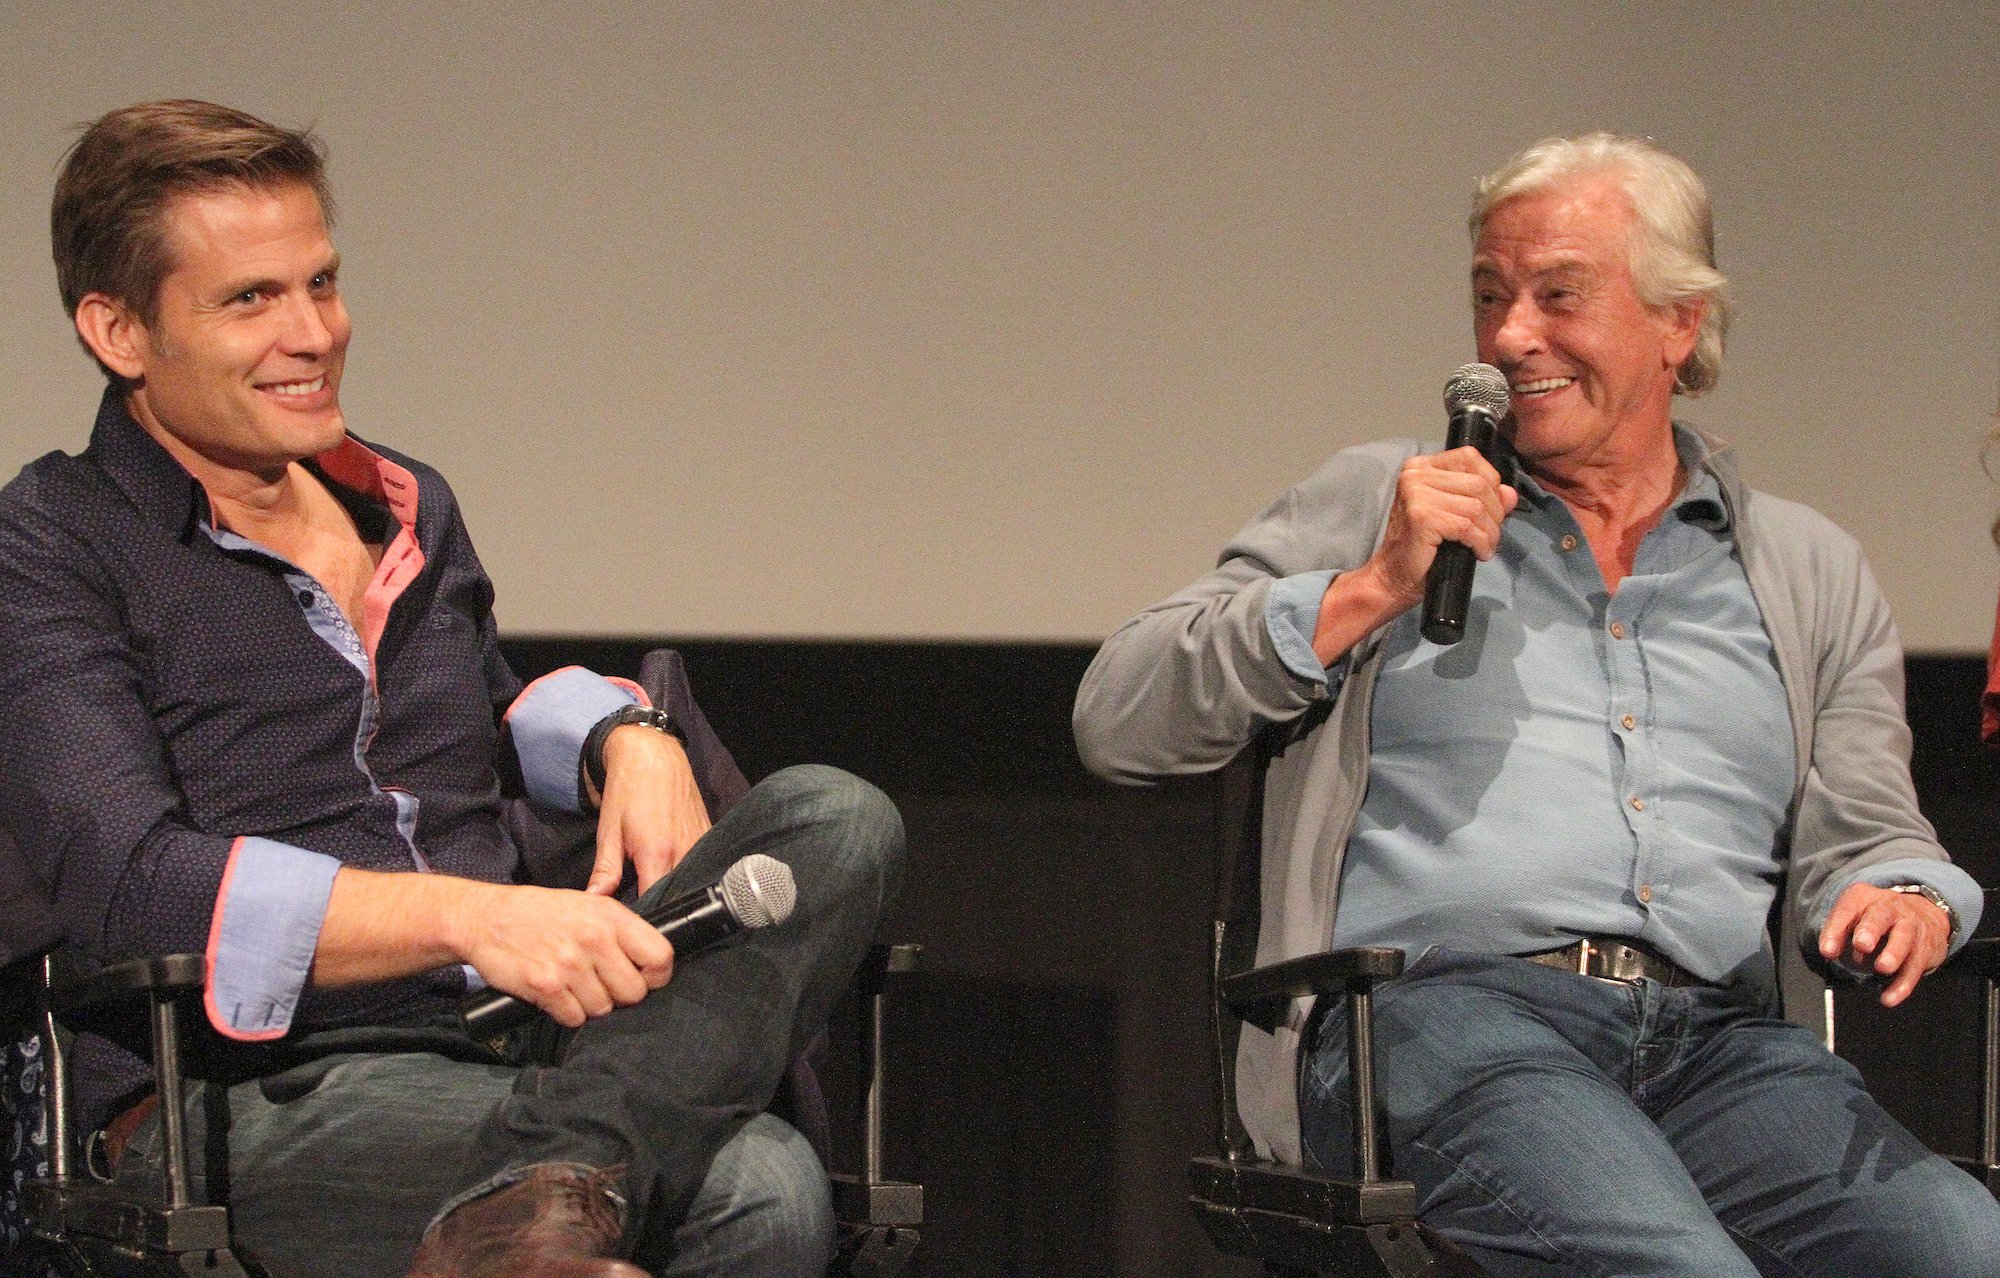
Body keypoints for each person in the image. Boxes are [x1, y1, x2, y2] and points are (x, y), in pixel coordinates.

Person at [0, 100, 904, 1278]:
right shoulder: (53, 544)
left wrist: (627, 734)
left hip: (516, 1050)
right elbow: (128, 883)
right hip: (256, 1086)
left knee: (838, 816)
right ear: (119, 331)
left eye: (320, 284)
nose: (314, 332)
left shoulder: (403, 500)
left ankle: (543, 1192)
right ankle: (557, 1188)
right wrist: (475, 917)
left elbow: (479, 713)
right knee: (758, 1192)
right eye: (250, 300)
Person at [1074, 132, 2000, 1275]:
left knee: (1963, 1250)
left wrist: (1899, 894)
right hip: (1439, 1026)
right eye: (1488, 296)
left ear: (1677, 323)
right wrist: (1368, 587)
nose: (1511, 338)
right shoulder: (1386, 500)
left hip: (1718, 1051)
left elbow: (1866, 831)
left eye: (1557, 295)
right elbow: (1116, 717)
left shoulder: (1804, 570)